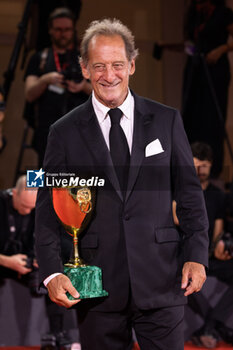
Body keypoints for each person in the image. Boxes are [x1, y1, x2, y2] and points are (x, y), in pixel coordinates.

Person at [35, 18, 209, 350]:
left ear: (131, 64)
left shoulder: (166, 120)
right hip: (97, 288)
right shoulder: (63, 132)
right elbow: (47, 210)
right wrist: (51, 272)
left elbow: (189, 195)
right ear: (84, 69)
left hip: (163, 282)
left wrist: (197, 255)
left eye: (117, 64)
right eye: (98, 66)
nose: (109, 75)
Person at [174, 142, 233, 348]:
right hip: (181, 252)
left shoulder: (217, 195)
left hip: (206, 254)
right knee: (182, 277)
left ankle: (210, 327)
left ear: (211, 166)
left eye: (204, 165)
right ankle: (214, 327)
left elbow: (217, 229)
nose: (200, 170)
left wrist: (218, 247)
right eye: (196, 165)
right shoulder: (179, 187)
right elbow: (176, 219)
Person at [25, 7, 92, 167]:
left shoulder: (85, 59)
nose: (63, 34)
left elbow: (105, 93)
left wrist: (83, 86)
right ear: (50, 30)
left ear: (73, 30)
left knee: (79, 187)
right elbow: (29, 94)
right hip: (45, 132)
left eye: (67, 29)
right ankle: (35, 193)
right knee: (42, 180)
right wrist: (45, 80)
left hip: (80, 132)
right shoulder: (39, 57)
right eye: (58, 29)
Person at [182, 0, 233, 177]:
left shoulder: (223, 13)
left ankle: (212, 171)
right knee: (192, 119)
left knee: (212, 122)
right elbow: (189, 41)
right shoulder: (194, 12)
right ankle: (191, 169)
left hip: (215, 70)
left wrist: (221, 50)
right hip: (195, 69)